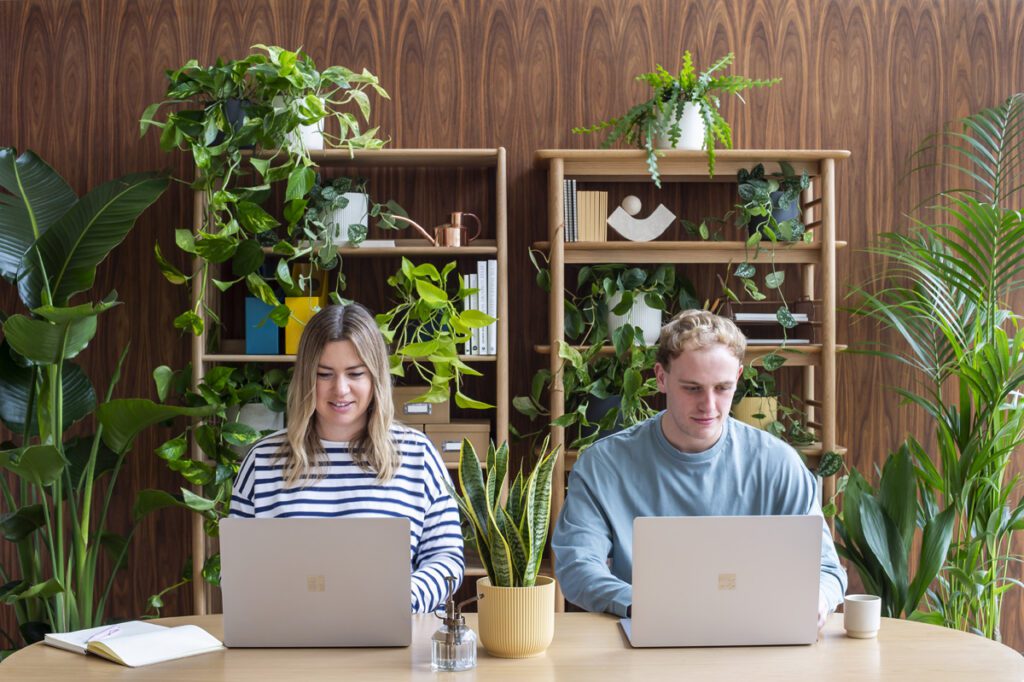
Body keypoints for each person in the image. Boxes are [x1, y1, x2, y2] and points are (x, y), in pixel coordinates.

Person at [552, 309, 847, 628]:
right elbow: (577, 568)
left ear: (738, 377)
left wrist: (815, 601)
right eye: (692, 388)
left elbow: (827, 571)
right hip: (646, 636)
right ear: (661, 378)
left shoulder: (779, 464)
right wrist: (646, 607)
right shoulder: (602, 466)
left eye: (722, 388)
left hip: (760, 638)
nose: (708, 405)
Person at [230, 303, 464, 613]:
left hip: (390, 641)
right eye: (324, 374)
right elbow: (235, 571)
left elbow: (448, 560)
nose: (340, 390)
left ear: (375, 377)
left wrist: (402, 598)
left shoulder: (417, 455)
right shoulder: (262, 461)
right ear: (305, 378)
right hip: (289, 643)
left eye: (355, 374)